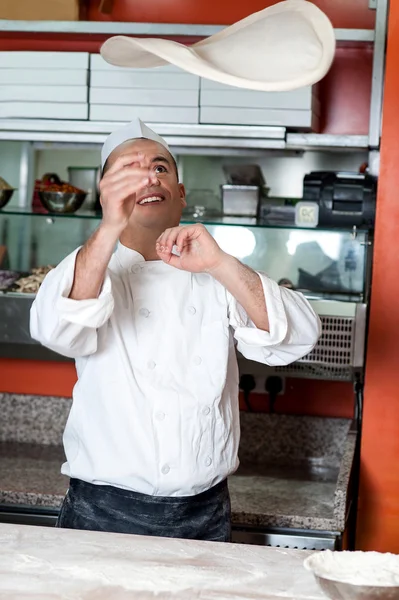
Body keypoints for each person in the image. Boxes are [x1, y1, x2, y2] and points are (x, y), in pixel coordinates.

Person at [30, 119, 321, 542]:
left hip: (204, 513)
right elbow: (56, 328)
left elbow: (298, 335)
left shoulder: (214, 268)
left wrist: (220, 263)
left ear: (180, 194)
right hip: (101, 512)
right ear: (105, 195)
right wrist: (110, 226)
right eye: (129, 170)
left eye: (161, 168)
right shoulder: (88, 267)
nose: (149, 177)